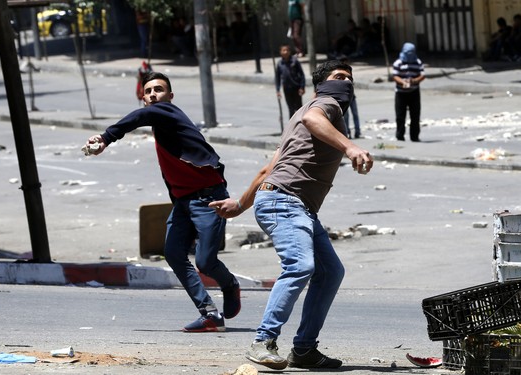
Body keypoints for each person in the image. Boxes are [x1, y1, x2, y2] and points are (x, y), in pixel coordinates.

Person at [209, 60, 374, 370]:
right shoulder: (323, 107)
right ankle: (263, 342)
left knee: (330, 273)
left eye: (350, 79)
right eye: (339, 77)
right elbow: (314, 118)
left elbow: (268, 169)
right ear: (321, 85)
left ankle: (304, 349)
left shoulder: (298, 117)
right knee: (300, 265)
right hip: (285, 201)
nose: (347, 84)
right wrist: (351, 148)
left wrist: (240, 206)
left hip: (289, 203)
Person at [82, 72, 241, 333]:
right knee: (174, 254)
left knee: (205, 262)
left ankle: (230, 284)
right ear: (143, 98)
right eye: (149, 92)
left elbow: (140, 117)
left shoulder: (169, 112)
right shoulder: (160, 125)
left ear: (170, 96)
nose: (154, 94)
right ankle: (209, 313)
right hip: (183, 202)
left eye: (159, 89)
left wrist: (106, 137)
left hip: (209, 198)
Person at [392, 42, 425, 142]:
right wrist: (402, 82)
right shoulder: (398, 63)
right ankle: (400, 136)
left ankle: (414, 136)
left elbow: (422, 75)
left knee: (415, 115)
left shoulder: (418, 62)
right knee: (400, 115)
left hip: (414, 91)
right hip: (401, 93)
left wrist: (414, 81)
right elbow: (395, 76)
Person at [275, 45, 306, 119]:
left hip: (296, 87)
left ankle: (301, 124)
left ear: (289, 52)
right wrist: (278, 90)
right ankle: (292, 126)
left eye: (287, 50)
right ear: (280, 52)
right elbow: (277, 78)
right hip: (287, 89)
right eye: (283, 50)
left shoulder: (294, 61)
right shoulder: (280, 64)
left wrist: (302, 87)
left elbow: (302, 75)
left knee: (299, 108)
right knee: (291, 108)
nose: (285, 52)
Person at [340, 57, 361, 138]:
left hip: (352, 97)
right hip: (344, 97)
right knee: (346, 116)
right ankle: (347, 132)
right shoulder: (340, 74)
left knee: (355, 114)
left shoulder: (349, 72)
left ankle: (357, 131)